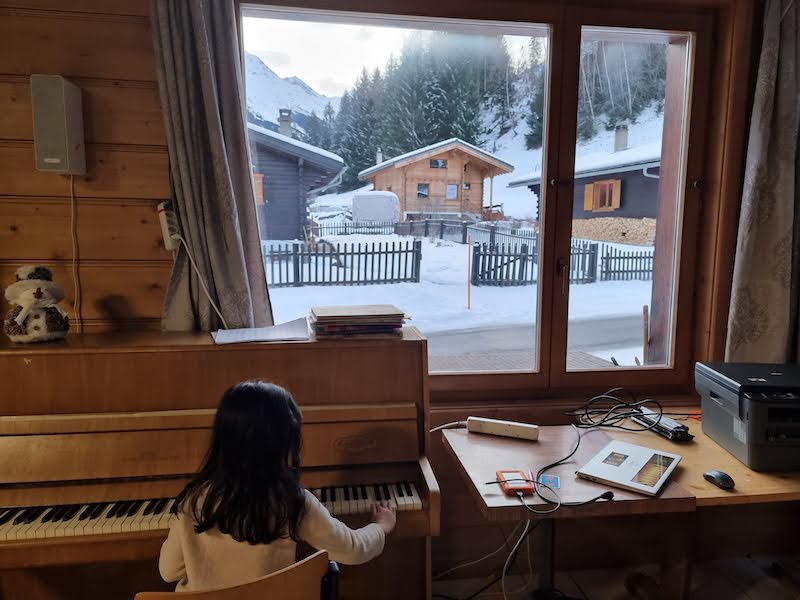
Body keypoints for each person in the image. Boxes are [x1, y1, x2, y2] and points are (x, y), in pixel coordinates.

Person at [159, 380, 396, 591]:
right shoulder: (290, 501)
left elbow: (168, 571)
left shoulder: (195, 500)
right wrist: (381, 525)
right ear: (282, 443)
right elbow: (354, 549)